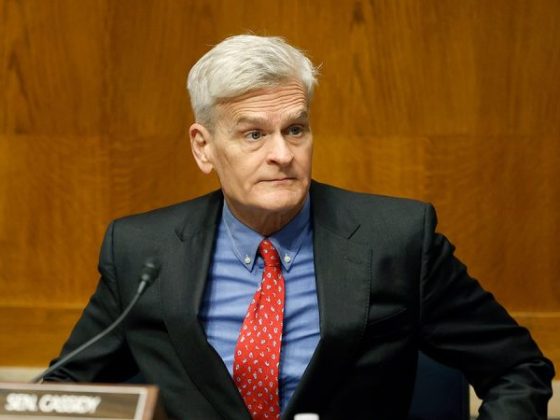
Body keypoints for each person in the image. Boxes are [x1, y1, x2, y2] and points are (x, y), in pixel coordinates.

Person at [45, 34, 554, 419]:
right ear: (203, 147)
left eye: (295, 129)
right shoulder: (143, 251)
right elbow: (60, 394)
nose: (283, 154)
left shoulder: (397, 240)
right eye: (253, 134)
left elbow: (517, 369)